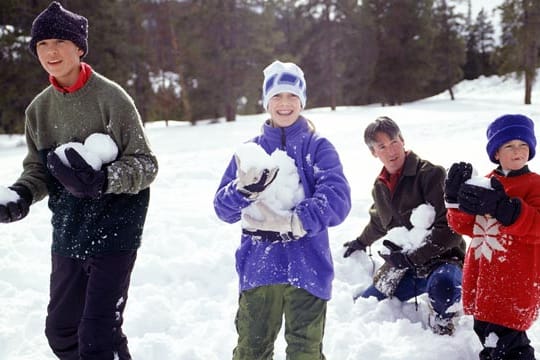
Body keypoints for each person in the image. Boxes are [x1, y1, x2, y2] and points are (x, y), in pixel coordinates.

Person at [0, 2, 158, 359]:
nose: (50, 51)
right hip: (69, 230)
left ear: (79, 47)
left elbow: (146, 164)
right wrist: (21, 195)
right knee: (61, 330)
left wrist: (104, 179)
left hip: (116, 228)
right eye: (42, 44)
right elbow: (38, 170)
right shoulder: (38, 110)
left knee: (98, 331)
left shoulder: (111, 99)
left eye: (59, 41)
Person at [214, 60, 351, 359]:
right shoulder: (250, 152)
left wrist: (295, 220)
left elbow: (338, 198)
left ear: (302, 100)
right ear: (266, 102)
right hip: (260, 267)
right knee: (252, 350)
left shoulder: (318, 147)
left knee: (305, 352)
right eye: (277, 96)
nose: (285, 103)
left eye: (292, 96)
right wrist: (241, 191)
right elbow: (222, 209)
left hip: (309, 266)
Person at [343, 116, 466, 335]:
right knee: (368, 302)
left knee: (444, 288)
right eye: (382, 146)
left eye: (394, 142)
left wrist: (414, 256)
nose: (391, 151)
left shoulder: (431, 174)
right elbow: (379, 222)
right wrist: (360, 242)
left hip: (444, 260)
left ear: (402, 140)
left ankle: (444, 326)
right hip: (405, 266)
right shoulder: (380, 187)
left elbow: (451, 230)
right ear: (374, 152)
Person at [446, 114, 540, 360]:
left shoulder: (535, 185)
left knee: (509, 345)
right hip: (482, 279)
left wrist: (509, 211)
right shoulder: (485, 183)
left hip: (515, 282)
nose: (517, 151)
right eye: (509, 145)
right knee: (488, 337)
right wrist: (455, 202)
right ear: (496, 153)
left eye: (523, 145)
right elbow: (465, 227)